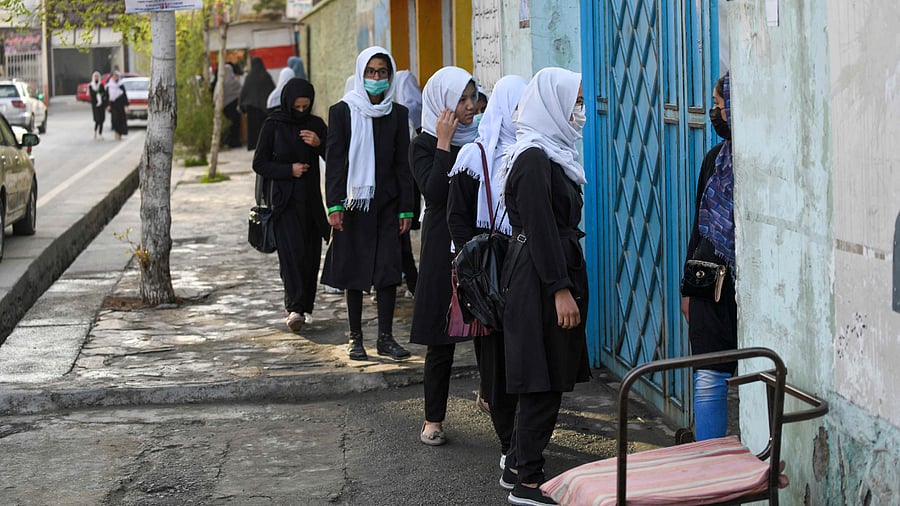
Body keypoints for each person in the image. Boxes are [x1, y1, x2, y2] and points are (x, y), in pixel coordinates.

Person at [498, 67, 589, 506]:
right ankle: (527, 484)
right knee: (542, 379)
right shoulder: (534, 159)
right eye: (574, 101)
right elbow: (539, 229)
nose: (580, 111)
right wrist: (559, 288)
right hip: (538, 278)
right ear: (552, 104)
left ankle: (517, 463)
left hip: (543, 272)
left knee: (547, 371)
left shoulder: (550, 155)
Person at [448, 74, 528, 466]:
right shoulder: (473, 157)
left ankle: (523, 439)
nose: (523, 114)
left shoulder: (534, 152)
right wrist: (476, 272)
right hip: (490, 274)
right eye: (517, 106)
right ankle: (507, 442)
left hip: (523, 267)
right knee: (495, 360)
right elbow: (457, 218)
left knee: (523, 356)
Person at [321, 46, 414, 362]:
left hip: (388, 205)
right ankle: (355, 337)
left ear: (390, 76)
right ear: (361, 74)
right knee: (354, 271)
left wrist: (406, 209)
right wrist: (334, 205)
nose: (377, 78)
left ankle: (386, 338)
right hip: (353, 204)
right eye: (371, 72)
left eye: (382, 73)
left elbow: (404, 165)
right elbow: (335, 162)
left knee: (388, 271)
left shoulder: (398, 114)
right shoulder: (342, 112)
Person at [408, 66, 479, 446]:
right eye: (462, 100)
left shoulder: (481, 137)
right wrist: (443, 143)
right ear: (443, 105)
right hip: (440, 243)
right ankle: (432, 419)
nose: (470, 106)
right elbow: (435, 193)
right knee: (442, 337)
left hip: (477, 238)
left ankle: (490, 397)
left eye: (473, 97)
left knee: (489, 326)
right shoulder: (422, 144)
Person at [680, 73, 736, 442]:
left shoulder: (762, 161)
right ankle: (709, 457)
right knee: (708, 375)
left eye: (718, 107)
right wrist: (687, 289)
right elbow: (699, 227)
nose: (715, 115)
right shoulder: (715, 160)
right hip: (709, 284)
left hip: (742, 287)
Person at [252, 78, 329, 332]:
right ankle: (294, 307)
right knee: (291, 257)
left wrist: (320, 144)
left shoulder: (316, 125)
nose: (300, 111)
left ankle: (303, 306)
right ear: (287, 103)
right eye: (296, 106)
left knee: (309, 258)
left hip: (311, 203)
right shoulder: (273, 125)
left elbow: (334, 156)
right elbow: (259, 163)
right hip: (283, 204)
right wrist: (289, 170)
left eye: (305, 107)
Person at [393, 69, 424, 296]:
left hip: (400, 189)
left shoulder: (401, 116)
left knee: (400, 241)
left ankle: (411, 281)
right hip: (390, 192)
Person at [239, 57, 276, 151]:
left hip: (252, 108)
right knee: (263, 129)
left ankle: (254, 145)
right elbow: (271, 90)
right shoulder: (266, 76)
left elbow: (244, 92)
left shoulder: (249, 77)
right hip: (264, 109)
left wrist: (241, 106)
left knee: (253, 130)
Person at [222, 63, 242, 148]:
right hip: (234, 109)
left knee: (227, 127)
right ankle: (235, 142)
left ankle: (227, 142)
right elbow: (241, 92)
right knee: (235, 126)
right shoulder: (235, 83)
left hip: (225, 109)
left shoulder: (221, 84)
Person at [106, 71, 129, 140]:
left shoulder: (121, 85)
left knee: (121, 119)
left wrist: (126, 106)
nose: (115, 77)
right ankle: (116, 132)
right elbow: (107, 96)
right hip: (113, 105)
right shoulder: (109, 86)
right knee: (115, 119)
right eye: (114, 76)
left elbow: (124, 96)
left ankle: (119, 133)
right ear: (112, 77)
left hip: (120, 105)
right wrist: (108, 105)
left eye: (117, 76)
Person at [88, 71, 107, 140]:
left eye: (97, 76)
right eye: (95, 76)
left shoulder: (101, 85)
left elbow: (104, 93)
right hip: (95, 105)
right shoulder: (91, 85)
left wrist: (99, 93)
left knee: (101, 119)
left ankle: (100, 133)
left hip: (101, 105)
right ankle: (95, 131)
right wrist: (97, 92)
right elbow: (92, 94)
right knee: (97, 119)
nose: (96, 78)